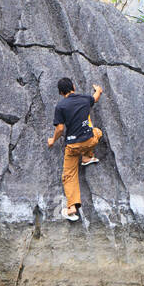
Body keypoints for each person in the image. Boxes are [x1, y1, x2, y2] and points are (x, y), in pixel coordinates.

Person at [48, 77, 103, 221]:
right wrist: (98, 90)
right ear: (73, 86)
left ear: (61, 92)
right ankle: (87, 156)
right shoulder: (85, 99)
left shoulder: (61, 106)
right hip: (89, 140)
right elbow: (95, 98)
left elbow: (60, 128)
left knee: (69, 175)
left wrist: (53, 140)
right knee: (97, 132)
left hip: (72, 146)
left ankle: (72, 208)